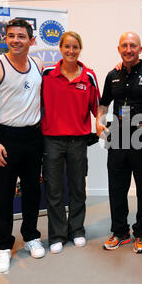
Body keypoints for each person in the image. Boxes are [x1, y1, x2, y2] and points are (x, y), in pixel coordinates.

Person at [0, 18, 46, 274]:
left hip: (33, 137)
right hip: (5, 138)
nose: (15, 40)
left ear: (31, 40)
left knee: (31, 192)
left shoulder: (38, 65)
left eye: (21, 36)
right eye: (11, 36)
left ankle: (30, 236)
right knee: (4, 195)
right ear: (5, 38)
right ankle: (3, 247)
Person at [96, 32, 142, 254]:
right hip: (117, 137)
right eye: (124, 45)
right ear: (119, 49)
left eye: (133, 45)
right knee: (117, 187)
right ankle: (120, 232)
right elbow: (104, 104)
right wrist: (99, 122)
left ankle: (141, 233)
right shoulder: (111, 75)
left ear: (140, 49)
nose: (128, 49)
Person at [41, 31, 100, 254]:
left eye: (75, 47)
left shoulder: (89, 76)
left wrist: (101, 126)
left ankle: (77, 230)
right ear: (60, 48)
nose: (71, 51)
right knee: (54, 190)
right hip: (52, 140)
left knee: (77, 188)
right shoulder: (46, 74)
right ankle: (57, 235)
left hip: (78, 140)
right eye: (67, 46)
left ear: (80, 49)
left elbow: (98, 109)